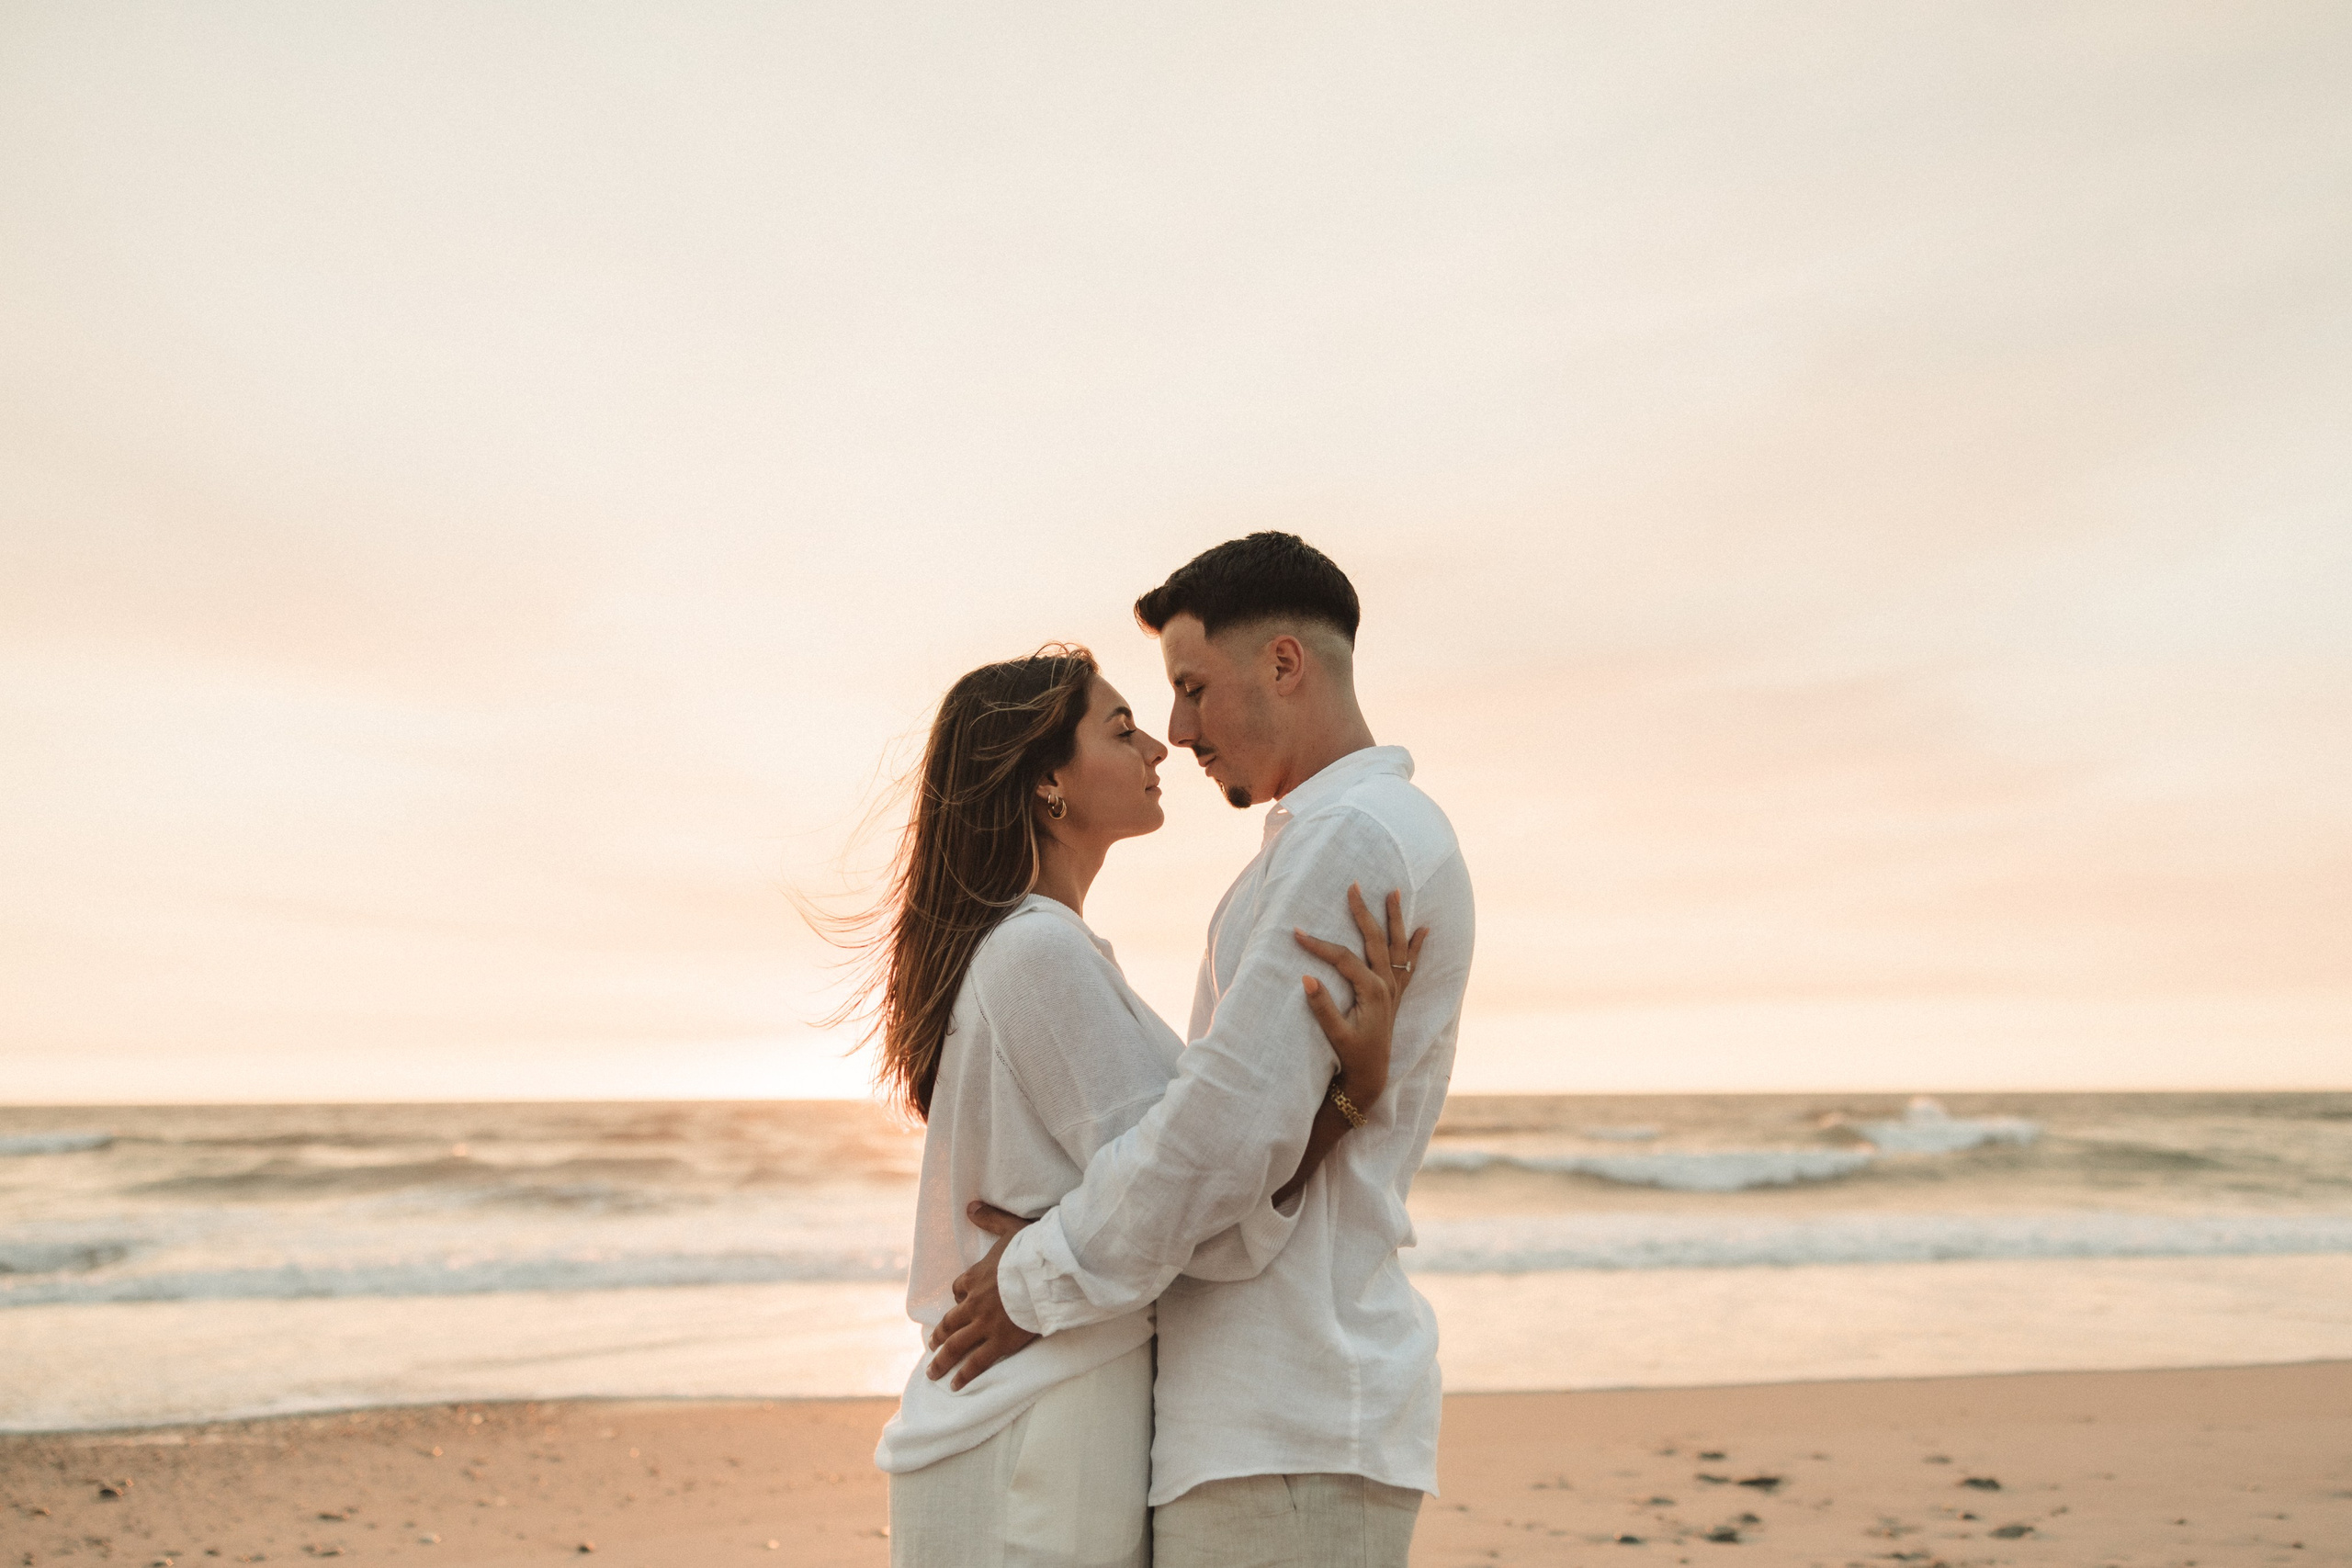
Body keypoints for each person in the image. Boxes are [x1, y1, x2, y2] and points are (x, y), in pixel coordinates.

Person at [930, 533, 1476, 1568]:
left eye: (1188, 688)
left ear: (1282, 663)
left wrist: (1030, 1277)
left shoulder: (1351, 838)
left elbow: (1219, 1140)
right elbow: (1219, 1134)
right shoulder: (1322, 842)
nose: (1175, 732)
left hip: (1287, 1414)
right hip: (1265, 1421)